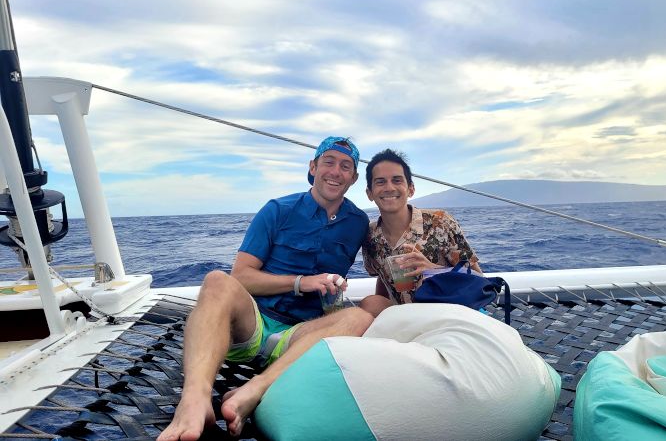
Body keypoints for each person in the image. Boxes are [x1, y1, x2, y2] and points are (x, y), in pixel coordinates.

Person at [158, 136, 371, 441]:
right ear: (313, 167)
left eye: (346, 166)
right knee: (217, 281)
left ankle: (253, 390)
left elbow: (383, 258)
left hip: (299, 338)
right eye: (329, 162)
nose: (336, 171)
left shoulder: (358, 223)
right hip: (254, 324)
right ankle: (194, 399)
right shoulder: (277, 209)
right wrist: (300, 282)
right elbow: (242, 276)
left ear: (352, 178)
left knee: (361, 317)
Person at [359, 149, 481, 317]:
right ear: (369, 193)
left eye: (397, 180)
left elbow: (478, 278)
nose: (389, 187)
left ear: (411, 189)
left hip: (447, 314)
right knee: (370, 303)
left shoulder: (440, 222)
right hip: (405, 318)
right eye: (380, 182)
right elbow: (381, 275)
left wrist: (433, 269)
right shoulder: (370, 236)